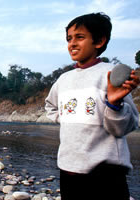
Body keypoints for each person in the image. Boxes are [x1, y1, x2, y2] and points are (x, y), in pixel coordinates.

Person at [45, 12, 140, 200]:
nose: (72, 44)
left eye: (79, 37)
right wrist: (68, 117)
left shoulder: (110, 76)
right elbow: (50, 107)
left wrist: (114, 105)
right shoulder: (63, 79)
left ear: (99, 41)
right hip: (69, 169)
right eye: (69, 39)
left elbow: (123, 128)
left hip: (106, 173)